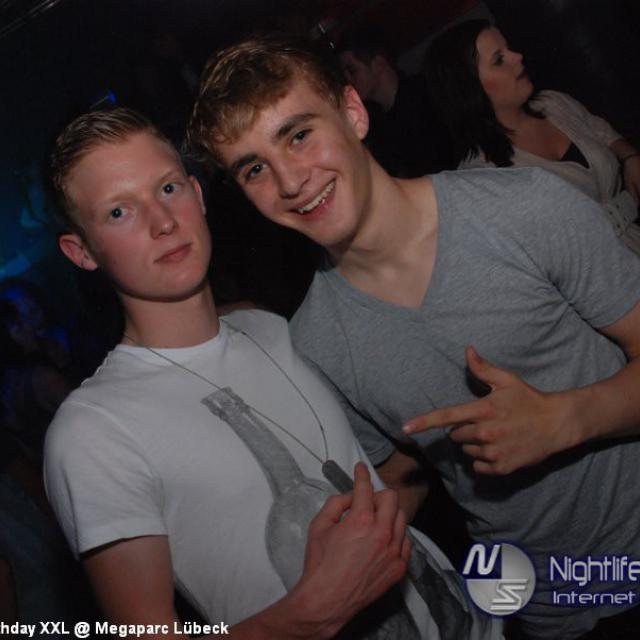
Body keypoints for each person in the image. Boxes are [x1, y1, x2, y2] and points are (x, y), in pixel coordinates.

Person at [187, 33, 640, 639]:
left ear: (353, 112)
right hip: (539, 609)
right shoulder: (315, 343)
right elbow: (405, 473)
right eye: (254, 169)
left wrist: (566, 419)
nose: (290, 181)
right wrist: (323, 572)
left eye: (298, 135)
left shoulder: (526, 209)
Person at [44, 107, 495, 640]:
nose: (162, 222)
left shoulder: (268, 330)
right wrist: (311, 613)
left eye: (167, 188)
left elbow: (371, 490)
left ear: (197, 194)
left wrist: (458, 436)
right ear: (81, 252)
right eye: (119, 212)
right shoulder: (93, 430)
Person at [425, 19, 640, 253]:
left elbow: (600, 131)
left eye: (509, 48)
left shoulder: (553, 104)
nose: (517, 57)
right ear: (469, 88)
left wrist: (630, 157)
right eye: (499, 59)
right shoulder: (480, 178)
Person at [338, 27, 453, 177]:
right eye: (345, 74)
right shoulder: (374, 126)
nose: (348, 80)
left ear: (378, 64)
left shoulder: (428, 96)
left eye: (352, 70)